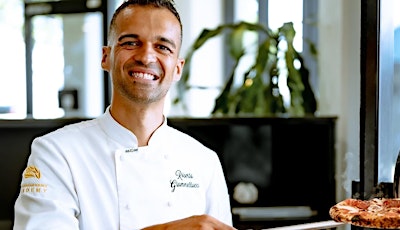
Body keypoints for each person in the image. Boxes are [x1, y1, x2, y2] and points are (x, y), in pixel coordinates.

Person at [13, 0, 235, 229]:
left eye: (163, 47)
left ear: (177, 68)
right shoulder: (57, 153)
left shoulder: (204, 161)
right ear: (105, 57)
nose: (147, 57)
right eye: (130, 43)